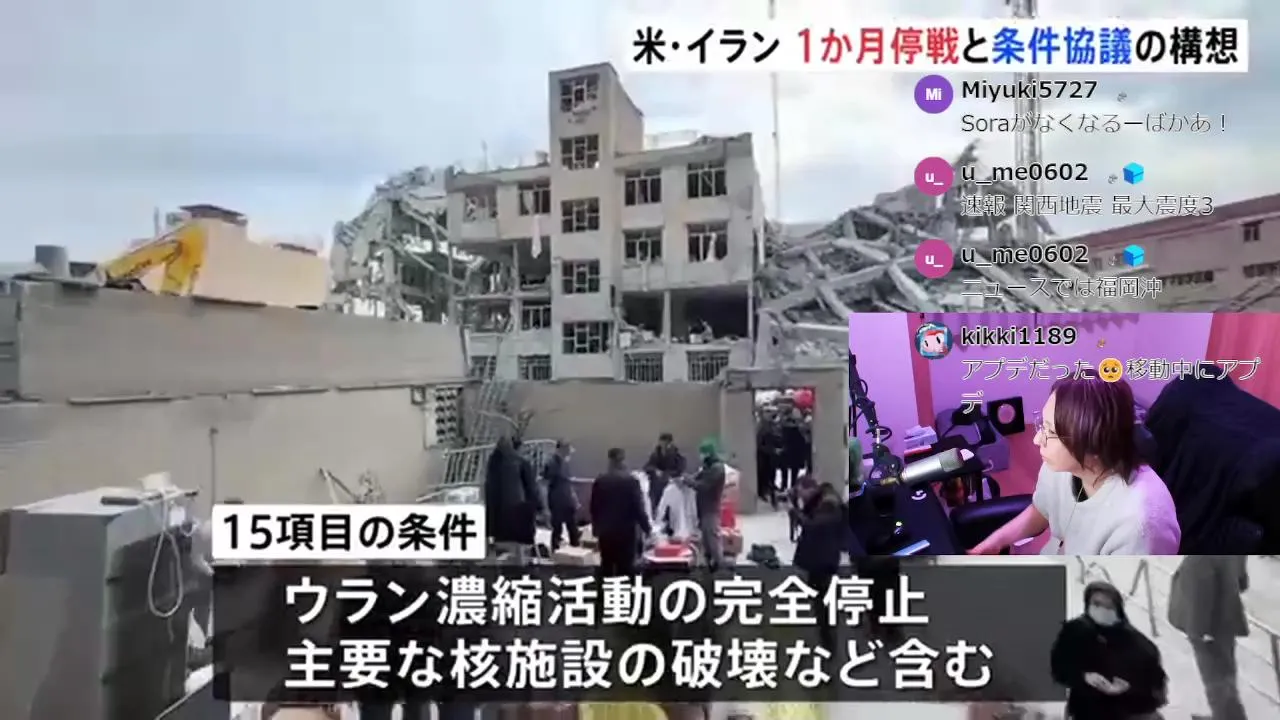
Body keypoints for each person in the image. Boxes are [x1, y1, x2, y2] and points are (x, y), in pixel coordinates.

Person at [969, 377, 1180, 555]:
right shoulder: (1060, 465)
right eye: (1042, 425)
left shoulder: (1140, 528)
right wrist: (994, 543)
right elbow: (1041, 511)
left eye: (1050, 432)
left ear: (1095, 444)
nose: (1037, 439)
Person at [1050, 581, 1167, 719]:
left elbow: (1156, 684)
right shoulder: (1076, 631)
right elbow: (1059, 667)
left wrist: (1128, 688)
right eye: (1097, 604)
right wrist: (1084, 677)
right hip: (1088, 709)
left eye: (1108, 605)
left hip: (1130, 710)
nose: (1102, 609)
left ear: (1117, 608)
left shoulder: (1136, 642)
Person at [1168, 555, 1250, 720]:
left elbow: (1198, 596)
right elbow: (1242, 582)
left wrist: (1198, 632)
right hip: (1225, 621)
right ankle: (1226, 715)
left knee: (1216, 682)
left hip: (1208, 628)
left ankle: (1224, 716)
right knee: (1226, 675)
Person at [793, 481, 865, 652]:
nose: (801, 497)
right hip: (823, 557)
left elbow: (815, 525)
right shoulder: (821, 501)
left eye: (802, 493)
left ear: (810, 489)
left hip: (823, 559)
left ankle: (828, 641)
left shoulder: (828, 503)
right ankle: (827, 635)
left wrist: (797, 515)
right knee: (821, 598)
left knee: (823, 600)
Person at [590, 448, 652, 576]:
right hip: (626, 533)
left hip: (606, 532)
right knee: (625, 567)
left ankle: (605, 588)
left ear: (610, 461)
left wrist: (596, 530)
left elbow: (594, 507)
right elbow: (638, 508)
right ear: (623, 461)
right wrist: (647, 528)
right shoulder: (631, 481)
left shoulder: (601, 481)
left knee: (607, 565)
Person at [485, 435, 543, 558]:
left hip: (498, 523)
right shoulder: (522, 463)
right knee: (519, 551)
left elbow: (489, 494)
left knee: (502, 552)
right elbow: (532, 490)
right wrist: (539, 509)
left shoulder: (492, 465)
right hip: (519, 517)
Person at [687, 438, 727, 569]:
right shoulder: (707, 466)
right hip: (703, 507)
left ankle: (720, 564)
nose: (701, 455)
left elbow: (704, 486)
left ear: (709, 453)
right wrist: (687, 478)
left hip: (711, 507)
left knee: (712, 538)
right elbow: (697, 477)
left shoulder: (717, 468)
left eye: (702, 453)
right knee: (706, 539)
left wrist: (688, 482)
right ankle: (710, 563)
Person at [543, 439, 581, 551]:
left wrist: (574, 498)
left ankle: (575, 549)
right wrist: (545, 506)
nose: (569, 454)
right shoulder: (551, 463)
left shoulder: (565, 463)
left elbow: (567, 482)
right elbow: (546, 482)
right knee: (557, 528)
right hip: (557, 500)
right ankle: (556, 550)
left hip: (567, 499)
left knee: (572, 526)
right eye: (567, 451)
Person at [645, 432, 687, 514]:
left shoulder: (676, 456)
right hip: (656, 485)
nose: (664, 446)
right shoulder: (655, 455)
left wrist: (666, 474)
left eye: (666, 444)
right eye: (662, 443)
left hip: (670, 483)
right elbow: (647, 466)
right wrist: (655, 470)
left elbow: (680, 469)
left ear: (670, 443)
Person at [757, 421, 783, 507]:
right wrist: (773, 450)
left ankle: (771, 497)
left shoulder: (773, 433)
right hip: (764, 460)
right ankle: (768, 496)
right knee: (767, 479)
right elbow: (760, 446)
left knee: (771, 479)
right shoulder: (763, 433)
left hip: (771, 460)